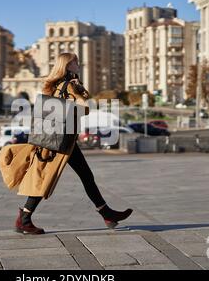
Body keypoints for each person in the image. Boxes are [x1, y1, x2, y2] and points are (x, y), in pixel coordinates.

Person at [14, 53, 133, 235]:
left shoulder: (55, 85)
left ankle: (106, 213)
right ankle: (24, 219)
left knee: (82, 175)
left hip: (57, 139)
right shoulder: (70, 84)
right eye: (76, 62)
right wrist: (80, 93)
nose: (78, 64)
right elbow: (84, 108)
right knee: (55, 177)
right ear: (68, 65)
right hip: (62, 141)